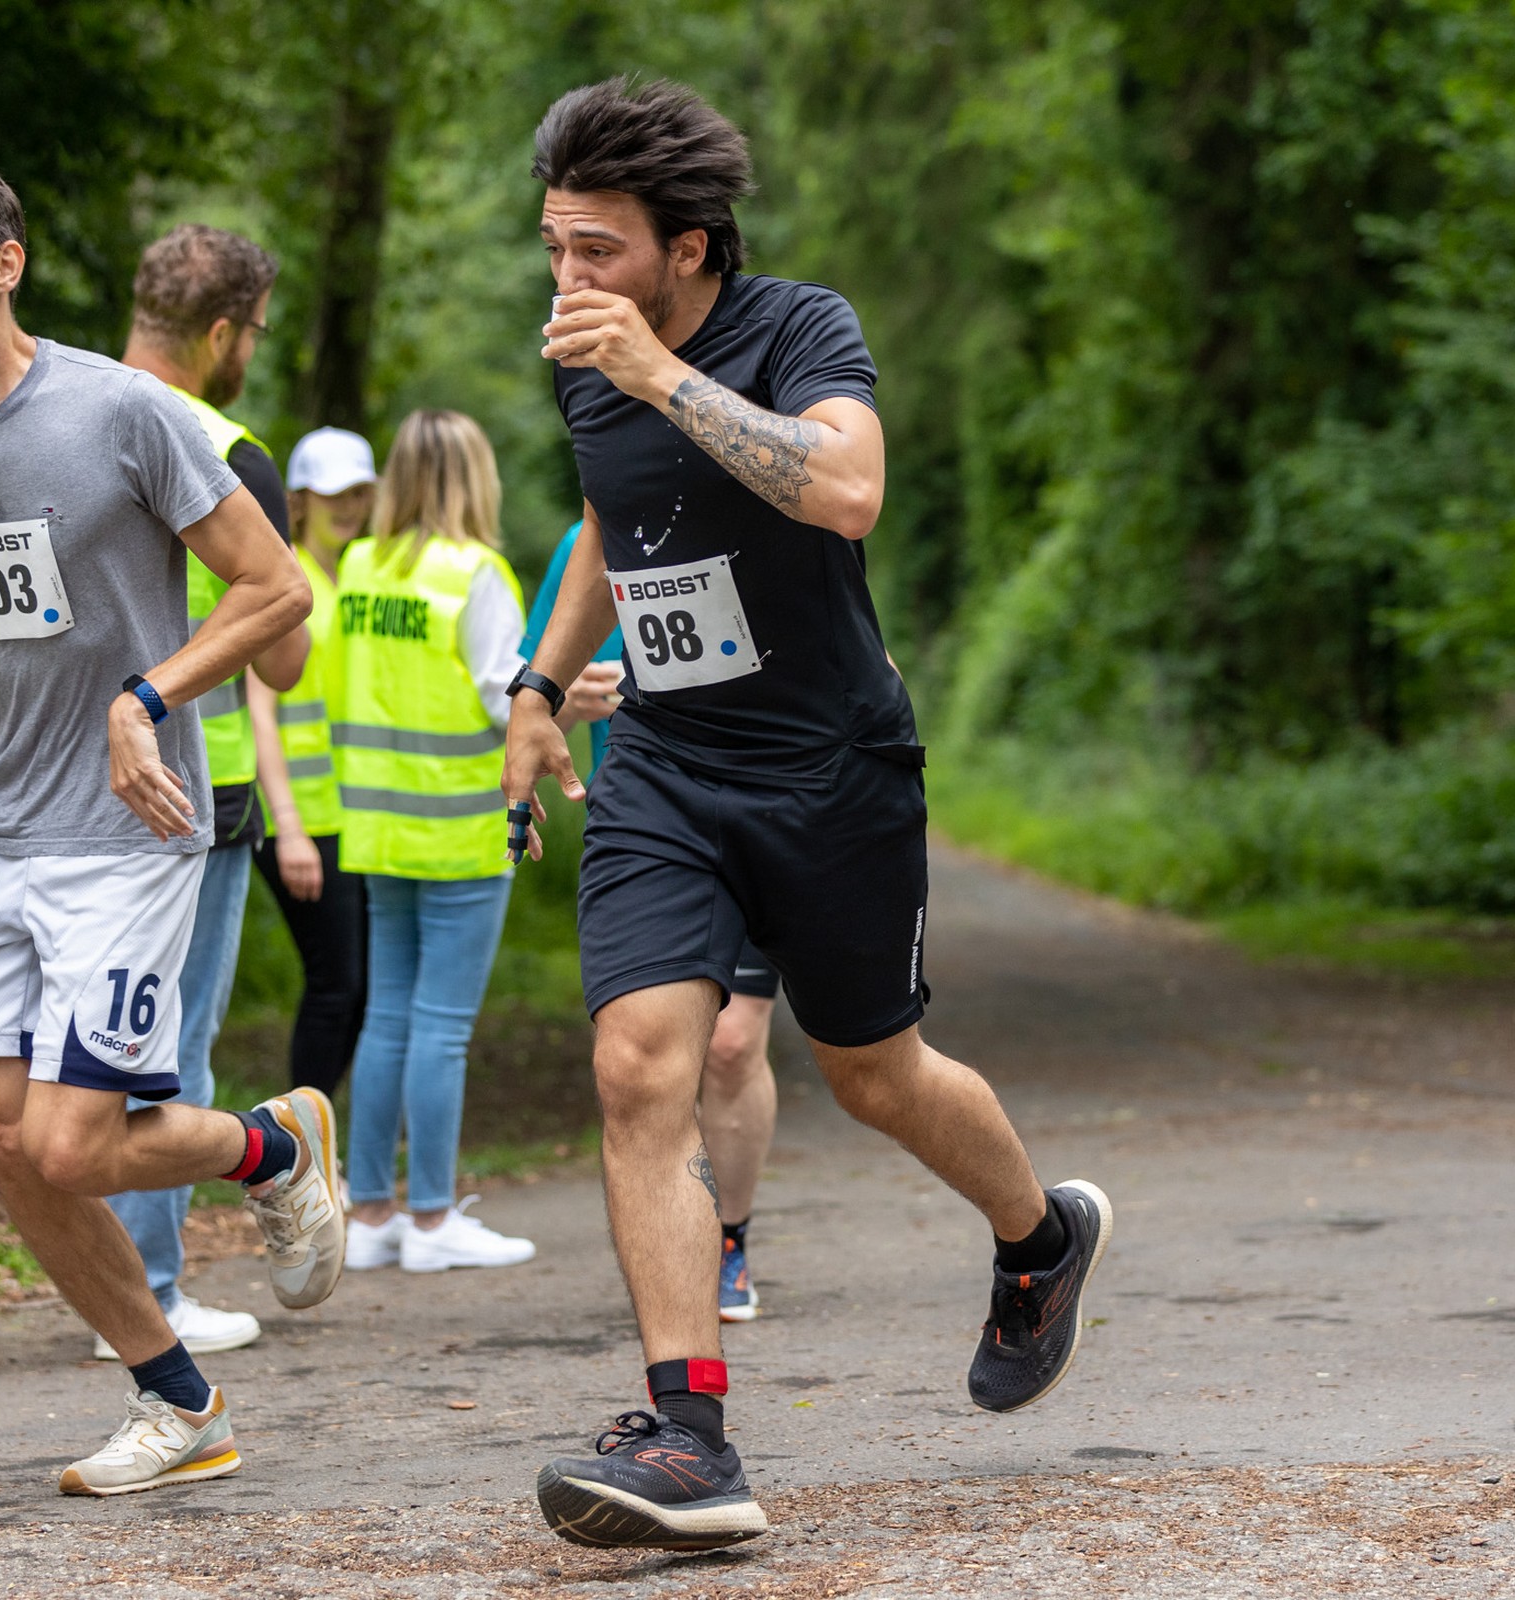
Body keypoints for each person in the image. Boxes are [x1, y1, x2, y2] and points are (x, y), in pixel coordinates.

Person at [507, 80, 1113, 1551]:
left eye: (599, 249)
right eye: (556, 246)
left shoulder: (796, 328)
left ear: (690, 247)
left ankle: (1042, 1239)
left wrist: (658, 374)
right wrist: (541, 682)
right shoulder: (588, 357)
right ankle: (690, 1436)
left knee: (874, 1074)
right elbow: (609, 522)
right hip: (666, 761)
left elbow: (845, 487)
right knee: (642, 1066)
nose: (569, 277)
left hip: (830, 768)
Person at [0, 147, 342, 1498]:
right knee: (3, 1141)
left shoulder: (124, 412)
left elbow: (276, 590)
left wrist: (145, 696)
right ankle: (181, 1402)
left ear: (4, 265)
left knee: (67, 1143)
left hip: (124, 833)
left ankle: (275, 1146)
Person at [519, 518, 775, 1322]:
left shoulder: (772, 518)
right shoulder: (587, 544)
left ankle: (729, 1239)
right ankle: (674, 1249)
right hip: (649, 833)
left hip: (765, 812)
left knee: (732, 1045)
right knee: (645, 1060)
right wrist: (567, 702)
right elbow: (532, 702)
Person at [332, 410, 540, 1274]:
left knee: (388, 1015)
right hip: (458, 824)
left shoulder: (358, 565)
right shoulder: (476, 572)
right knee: (442, 1028)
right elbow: (503, 697)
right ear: (474, 479)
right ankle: (430, 1219)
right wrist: (565, 701)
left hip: (377, 825)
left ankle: (370, 1213)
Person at [248, 426, 375, 1099]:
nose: (346, 507)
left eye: (357, 493)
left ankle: (315, 1129)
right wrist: (289, 827)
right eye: (332, 495)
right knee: (336, 986)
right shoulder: (285, 580)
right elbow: (260, 710)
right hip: (298, 818)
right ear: (298, 501)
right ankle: (299, 1139)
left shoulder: (362, 577)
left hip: (354, 816)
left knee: (360, 988)